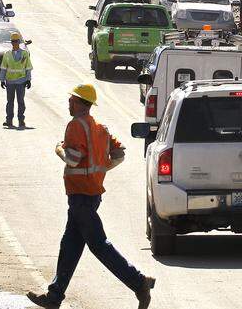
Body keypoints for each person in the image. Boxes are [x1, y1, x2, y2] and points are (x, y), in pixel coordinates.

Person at [27, 85, 154, 309]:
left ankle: (139, 282)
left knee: (99, 246)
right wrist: (101, 170)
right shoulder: (100, 128)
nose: (68, 103)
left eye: (71, 100)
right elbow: (119, 154)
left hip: (81, 196)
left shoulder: (76, 125)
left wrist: (59, 149)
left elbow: (73, 159)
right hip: (89, 194)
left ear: (79, 102)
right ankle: (54, 296)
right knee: (70, 246)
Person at [0, 31, 32, 128]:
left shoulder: (25, 54)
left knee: (20, 101)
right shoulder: (7, 54)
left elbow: (28, 67)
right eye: (13, 41)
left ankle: (21, 120)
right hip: (10, 82)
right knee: (10, 102)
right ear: (11, 42)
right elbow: (4, 68)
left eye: (16, 41)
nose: (15, 43)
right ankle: (9, 120)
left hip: (21, 81)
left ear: (19, 42)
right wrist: (2, 80)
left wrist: (28, 79)